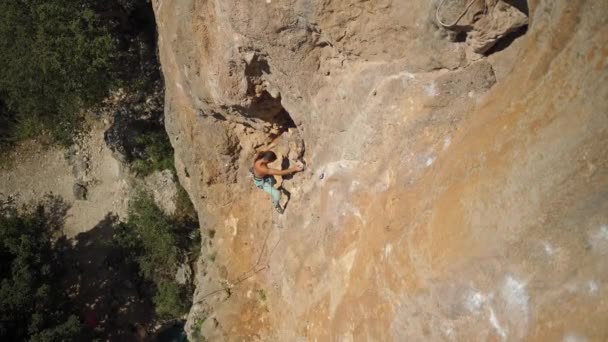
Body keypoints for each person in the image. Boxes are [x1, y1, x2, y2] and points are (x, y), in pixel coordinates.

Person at [252, 144, 303, 213]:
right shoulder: (262, 169)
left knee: (273, 182)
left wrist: (270, 146)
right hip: (261, 183)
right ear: (267, 161)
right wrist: (294, 169)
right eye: (271, 162)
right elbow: (280, 172)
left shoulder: (259, 156)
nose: (271, 163)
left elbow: (263, 150)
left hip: (263, 176)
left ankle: (271, 186)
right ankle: (276, 205)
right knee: (277, 194)